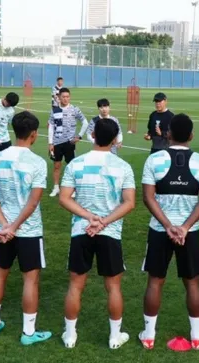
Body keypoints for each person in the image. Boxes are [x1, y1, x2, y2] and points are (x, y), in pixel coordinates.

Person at [59, 118, 136, 350]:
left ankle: (70, 336)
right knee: (113, 286)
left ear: (92, 135)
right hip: (109, 232)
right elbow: (129, 203)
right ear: (114, 140)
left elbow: (64, 198)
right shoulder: (122, 166)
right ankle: (115, 336)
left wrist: (89, 218)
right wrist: (103, 221)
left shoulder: (76, 163)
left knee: (75, 285)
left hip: (81, 230)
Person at [139, 114, 199, 350]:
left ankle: (149, 336)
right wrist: (185, 227)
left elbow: (148, 198)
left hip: (160, 231)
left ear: (168, 134)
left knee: (155, 281)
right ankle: (197, 336)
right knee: (192, 283)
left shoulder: (154, 160)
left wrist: (168, 225)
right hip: (189, 233)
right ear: (192, 136)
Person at [0, 111, 52, 345]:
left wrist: (4, 224)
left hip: (4, 230)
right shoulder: (37, 163)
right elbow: (33, 202)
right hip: (28, 231)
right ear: (34, 134)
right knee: (30, 280)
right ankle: (28, 333)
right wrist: (13, 225)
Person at [47, 87, 88, 197]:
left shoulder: (74, 109)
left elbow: (85, 122)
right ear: (59, 97)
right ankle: (56, 187)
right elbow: (51, 126)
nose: (65, 99)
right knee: (56, 165)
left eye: (67, 97)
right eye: (63, 97)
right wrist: (50, 142)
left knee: (71, 166)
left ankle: (73, 188)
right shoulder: (54, 110)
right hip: (56, 143)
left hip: (69, 143)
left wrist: (79, 136)